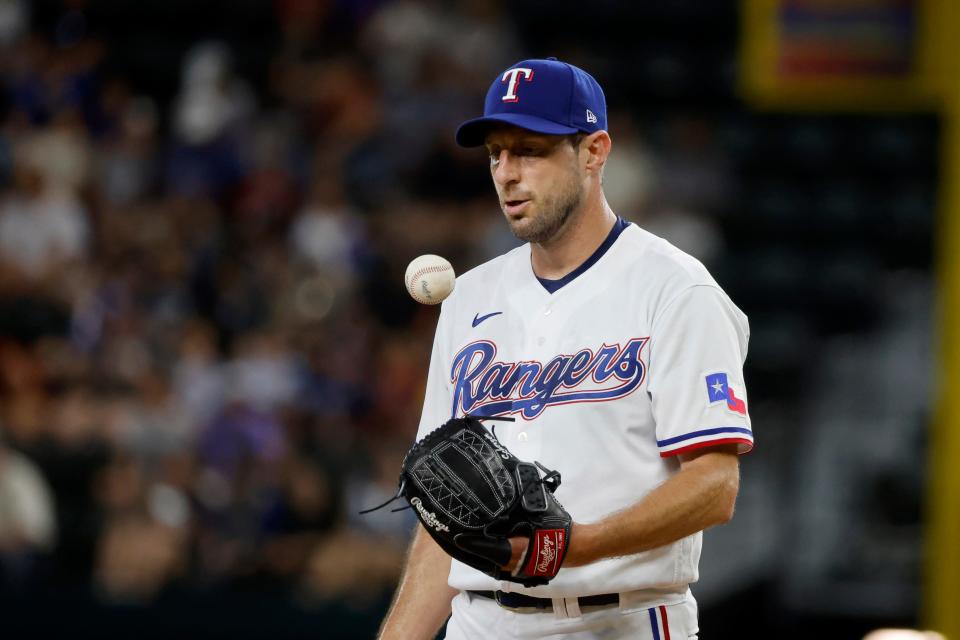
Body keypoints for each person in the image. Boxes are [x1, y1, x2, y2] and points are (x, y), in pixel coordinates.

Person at [379, 57, 753, 640]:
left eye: (529, 150)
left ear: (594, 152)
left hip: (624, 616)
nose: (507, 173)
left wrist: (576, 546)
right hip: (481, 622)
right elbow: (445, 507)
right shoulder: (469, 298)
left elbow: (714, 484)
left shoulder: (677, 290)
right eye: (496, 154)